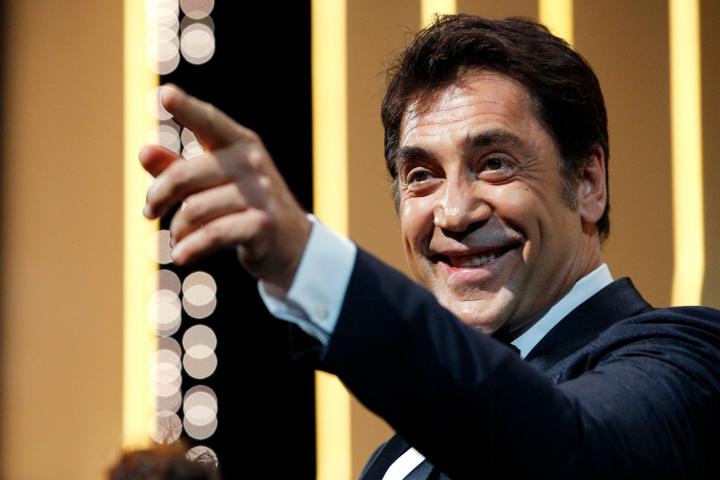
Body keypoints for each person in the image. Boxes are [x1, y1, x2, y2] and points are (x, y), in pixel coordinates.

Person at [140, 14, 720, 478]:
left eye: (495, 164)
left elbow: (564, 451)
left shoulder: (689, 360)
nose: (454, 213)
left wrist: (308, 261)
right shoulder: (401, 455)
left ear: (588, 183)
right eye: (422, 176)